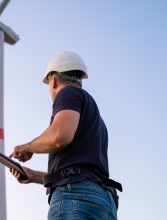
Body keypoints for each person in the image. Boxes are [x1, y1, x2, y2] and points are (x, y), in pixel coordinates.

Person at [9, 51, 122, 220]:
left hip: (75, 196)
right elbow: (78, 171)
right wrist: (34, 176)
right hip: (103, 202)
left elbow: (60, 136)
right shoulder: (96, 122)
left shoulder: (68, 93)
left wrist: (28, 147)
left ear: (53, 80)